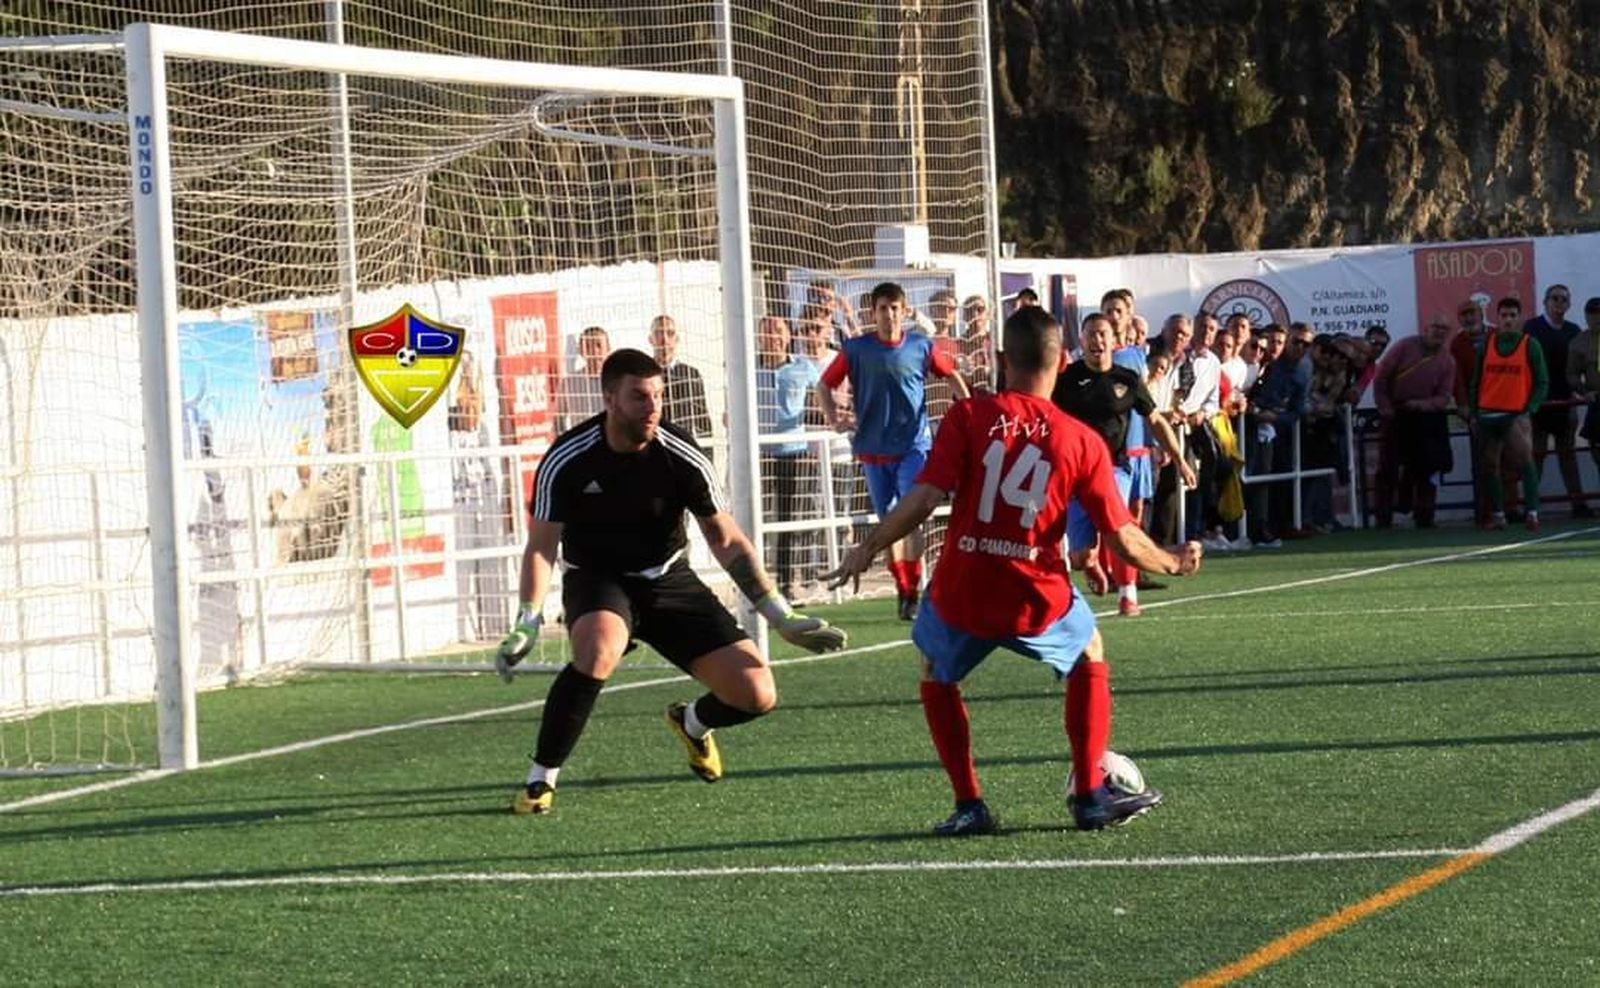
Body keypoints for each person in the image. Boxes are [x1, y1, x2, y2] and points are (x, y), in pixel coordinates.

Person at [821, 306, 1203, 836]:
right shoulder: (1080, 439)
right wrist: (1173, 562)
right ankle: (1091, 795)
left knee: (936, 673)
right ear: (1062, 361)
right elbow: (1121, 536)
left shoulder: (968, 416)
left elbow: (926, 495)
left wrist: (868, 546)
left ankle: (969, 805)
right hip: (1035, 593)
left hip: (965, 588)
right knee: (1089, 654)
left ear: (1003, 360)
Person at [495, 348, 847, 815]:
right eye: (639, 397)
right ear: (610, 400)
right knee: (598, 650)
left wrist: (778, 614)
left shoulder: (680, 453)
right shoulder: (567, 458)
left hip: (669, 580)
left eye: (658, 396)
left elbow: (727, 540)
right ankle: (541, 778)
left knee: (756, 694)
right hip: (597, 580)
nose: (653, 408)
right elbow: (541, 547)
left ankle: (693, 722)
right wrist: (527, 620)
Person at [816, 281, 971, 620]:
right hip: (872, 450)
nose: (889, 315)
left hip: (913, 446)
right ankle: (904, 588)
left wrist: (969, 410)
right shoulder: (856, 349)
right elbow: (824, 384)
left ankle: (913, 591)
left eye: (894, 308)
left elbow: (952, 376)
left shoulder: (920, 346)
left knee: (909, 514)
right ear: (873, 313)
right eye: (882, 308)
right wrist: (833, 418)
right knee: (888, 521)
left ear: (904, 311)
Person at [1053, 313, 1194, 617]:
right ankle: (1090, 563)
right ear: (1082, 339)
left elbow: (1155, 419)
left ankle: (1130, 594)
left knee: (1117, 527)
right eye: (1090, 334)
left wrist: (1180, 459)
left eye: (1102, 334)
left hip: (1113, 470)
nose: (1096, 340)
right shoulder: (1066, 380)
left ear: (1113, 341)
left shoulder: (1127, 380)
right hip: (1074, 476)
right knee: (1078, 555)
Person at [755, 316, 821, 599]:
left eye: (779, 331)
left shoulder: (803, 367)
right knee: (752, 517)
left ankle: (785, 583)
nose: (773, 337)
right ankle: (753, 583)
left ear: (788, 337)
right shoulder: (746, 366)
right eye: (768, 332)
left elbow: (822, 401)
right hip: (756, 454)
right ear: (759, 337)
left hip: (793, 453)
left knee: (787, 519)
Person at [1470, 297, 1549, 531]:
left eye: (1512, 315)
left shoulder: (1529, 344)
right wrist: (1474, 412)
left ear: (1519, 318)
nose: (1507, 320)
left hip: (1515, 413)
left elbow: (1542, 381)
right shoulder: (1487, 344)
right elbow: (1476, 381)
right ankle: (1498, 515)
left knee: (1525, 461)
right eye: (1503, 315)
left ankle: (1532, 513)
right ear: (1497, 317)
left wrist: (1530, 408)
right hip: (1488, 414)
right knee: (1489, 465)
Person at [1371, 316, 1456, 528]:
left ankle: (1425, 515)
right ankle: (1383, 517)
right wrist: (1385, 407)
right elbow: (1381, 377)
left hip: (1426, 418)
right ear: (1425, 328)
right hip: (1396, 413)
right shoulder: (1404, 346)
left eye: (1443, 329)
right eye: (1435, 326)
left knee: (1429, 467)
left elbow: (1444, 396)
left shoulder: (1447, 360)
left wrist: (1421, 405)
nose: (1438, 333)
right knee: (1388, 467)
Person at [1523, 284, 1590, 517]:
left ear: (1569, 304)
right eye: (1555, 298)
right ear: (1545, 301)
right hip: (1538, 404)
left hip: (1565, 402)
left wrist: (1582, 391)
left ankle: (1578, 503)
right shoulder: (1530, 328)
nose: (1559, 303)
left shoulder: (1573, 330)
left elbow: (1581, 366)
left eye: (1564, 299)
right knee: (1537, 455)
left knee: (1568, 455)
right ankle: (1531, 507)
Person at [649, 314, 714, 447]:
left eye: (670, 333)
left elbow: (702, 419)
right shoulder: (644, 373)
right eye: (659, 333)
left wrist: (707, 457)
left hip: (684, 447)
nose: (664, 339)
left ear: (677, 339)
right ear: (650, 339)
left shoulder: (691, 374)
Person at [1568, 297, 1600, 481]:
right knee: (1597, 453)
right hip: (1597, 404)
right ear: (1586, 316)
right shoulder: (1579, 342)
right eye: (1593, 314)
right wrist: (1584, 392)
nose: (1597, 318)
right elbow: (1571, 374)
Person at [559, 326, 610, 432]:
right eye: (588, 346)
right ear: (581, 351)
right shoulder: (569, 382)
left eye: (598, 345)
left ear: (608, 349)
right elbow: (558, 418)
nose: (594, 351)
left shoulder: (618, 381)